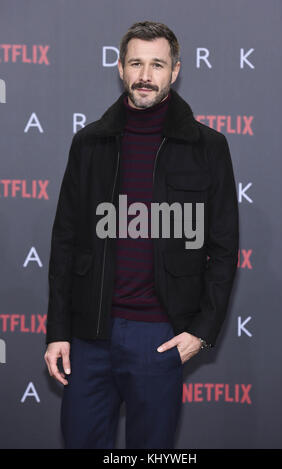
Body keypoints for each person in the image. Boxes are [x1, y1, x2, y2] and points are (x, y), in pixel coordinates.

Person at [44, 21, 239, 449]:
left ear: (175, 71)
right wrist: (58, 331)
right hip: (89, 336)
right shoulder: (90, 143)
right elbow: (65, 241)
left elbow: (224, 248)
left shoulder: (208, 146)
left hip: (159, 336)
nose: (145, 75)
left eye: (157, 64)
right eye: (136, 63)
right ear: (120, 68)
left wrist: (203, 330)